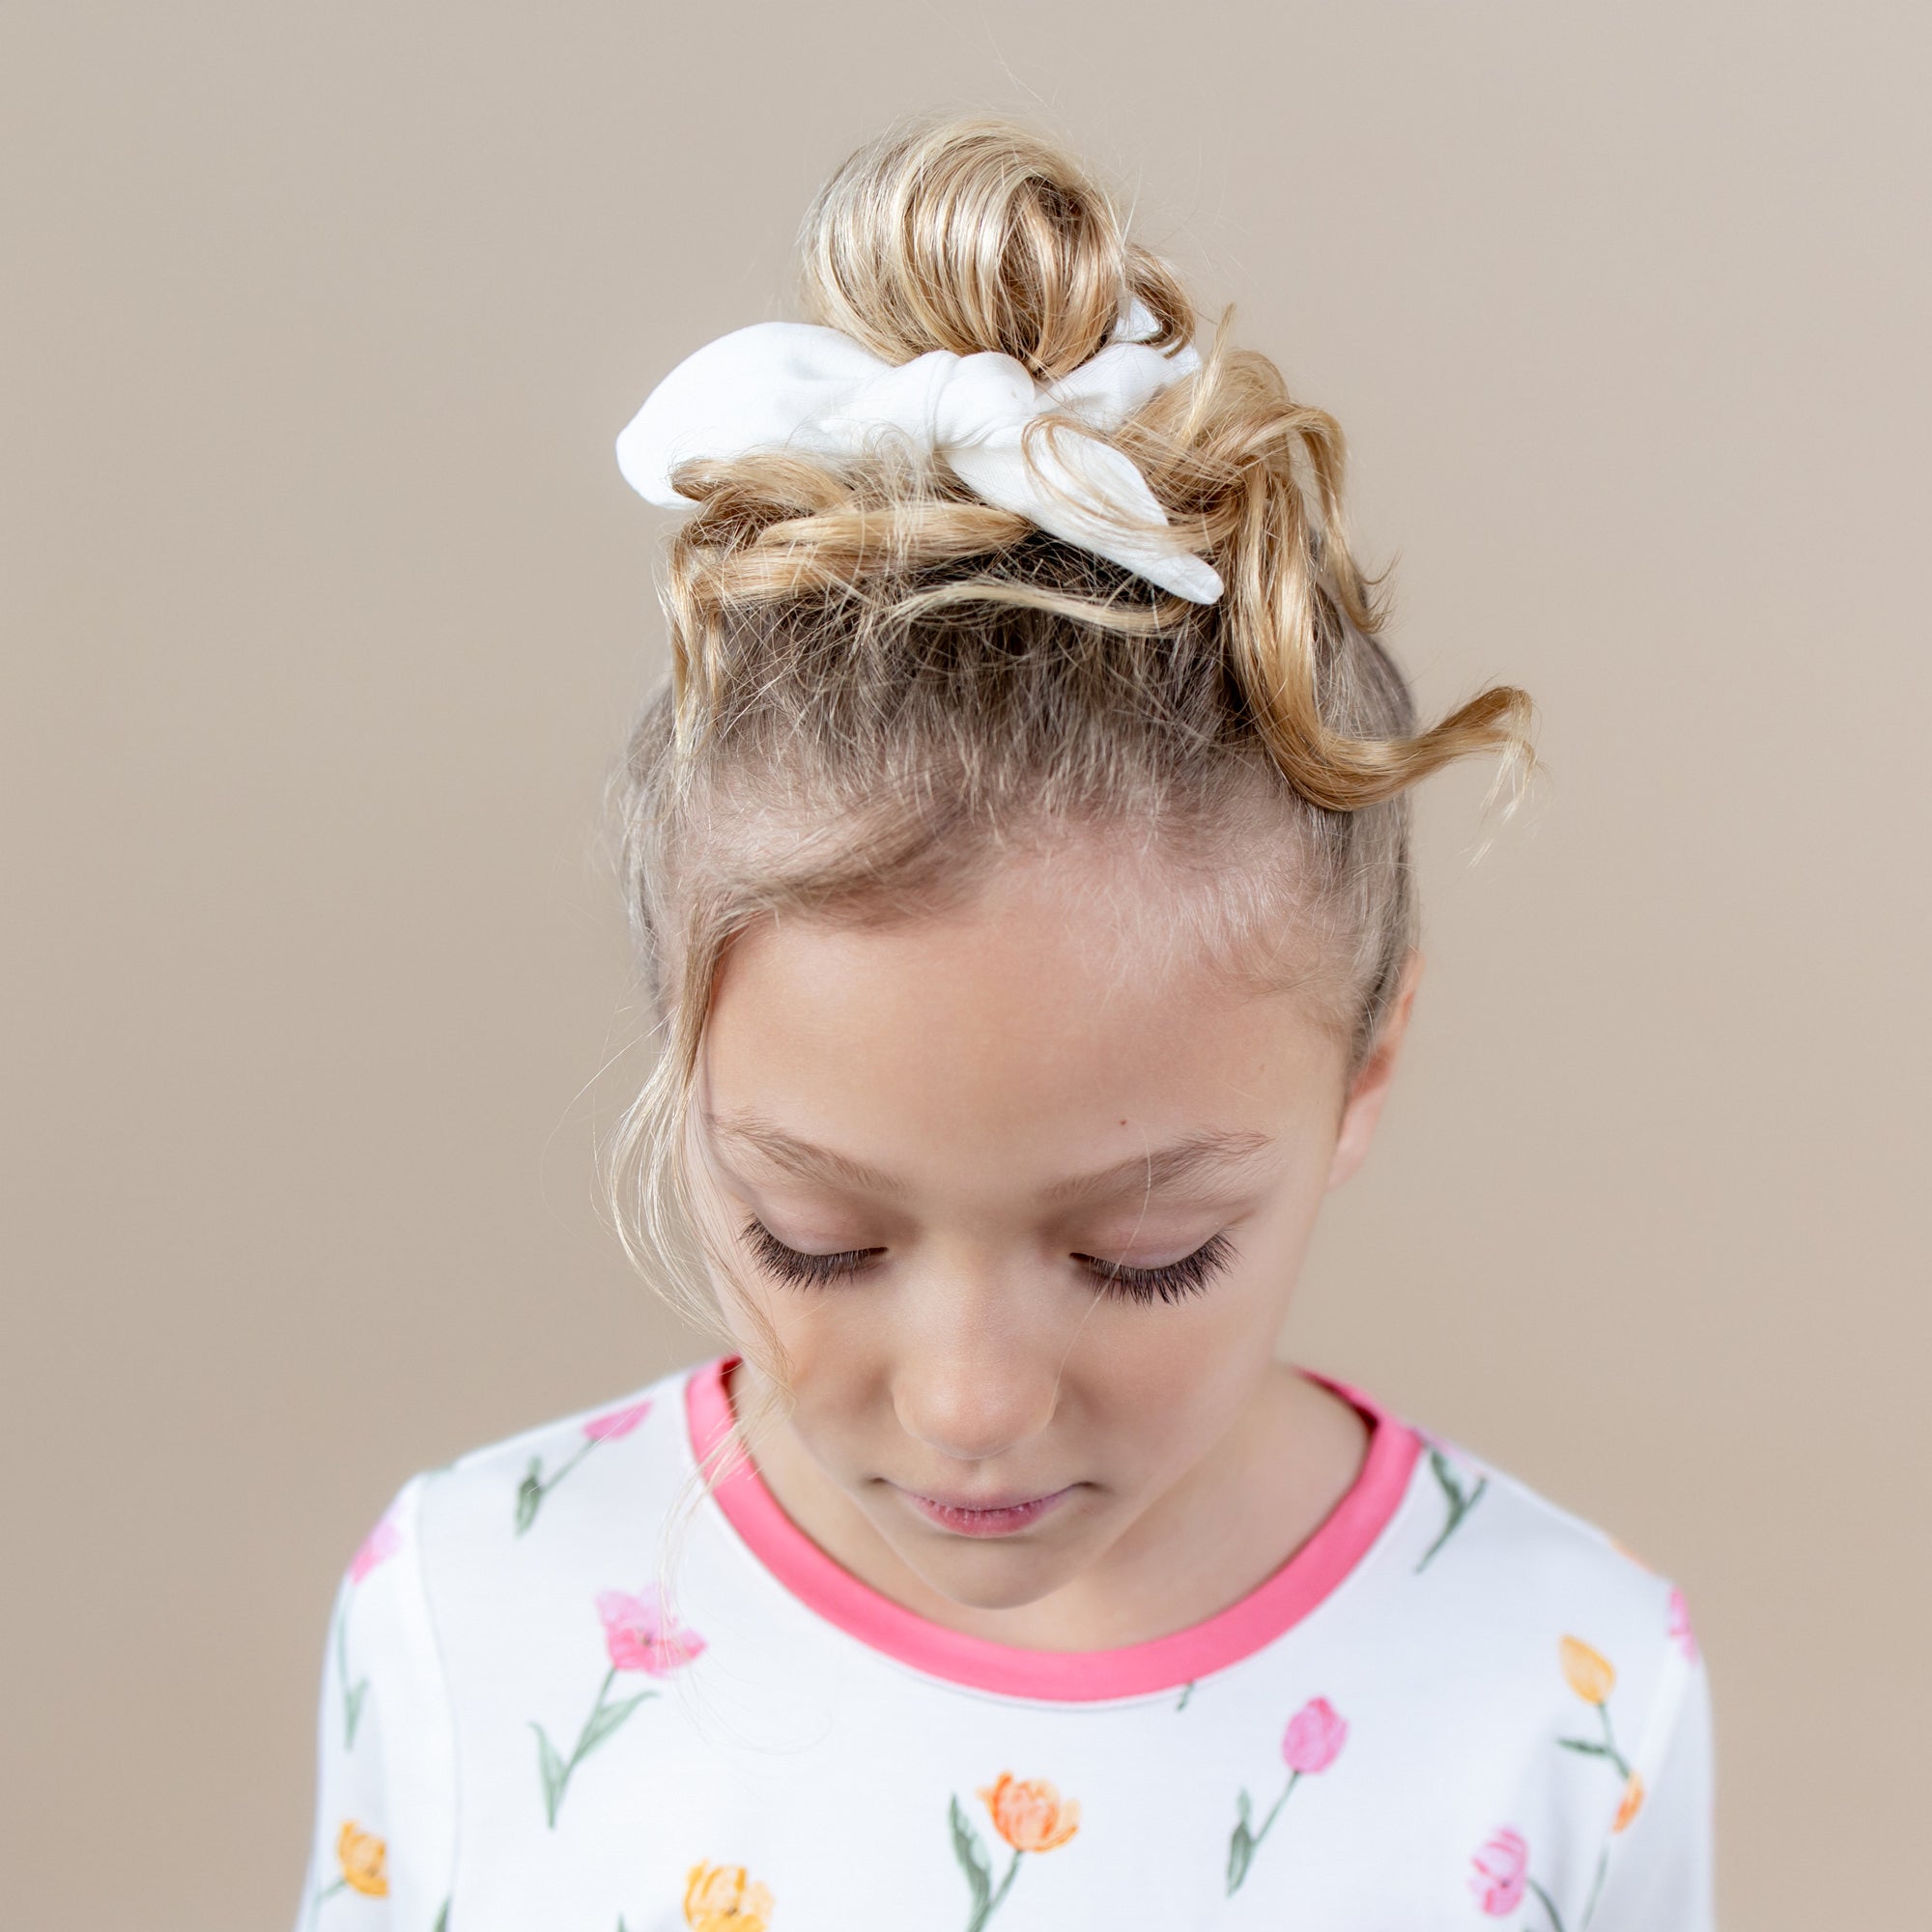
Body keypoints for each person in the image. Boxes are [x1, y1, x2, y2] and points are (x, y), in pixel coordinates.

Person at [294, 117, 1715, 1932]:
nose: (971, 1405)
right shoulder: (470, 1619)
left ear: (1367, 1067)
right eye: (813, 1237)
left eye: (1145, 1258)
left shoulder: (1570, 1692)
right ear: (684, 1055)